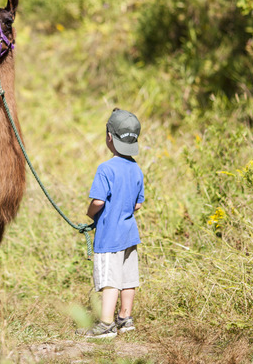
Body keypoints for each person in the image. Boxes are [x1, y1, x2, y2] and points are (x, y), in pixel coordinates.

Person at [80, 108, 144, 339]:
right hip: (130, 234)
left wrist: (90, 214)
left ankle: (106, 325)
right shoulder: (136, 169)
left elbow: (98, 201)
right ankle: (125, 319)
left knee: (110, 280)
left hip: (109, 236)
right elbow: (137, 205)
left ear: (109, 136)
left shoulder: (105, 169)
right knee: (128, 279)